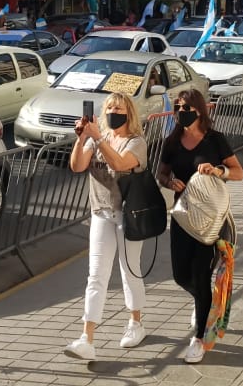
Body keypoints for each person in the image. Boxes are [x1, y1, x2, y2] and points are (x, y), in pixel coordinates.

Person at [156, 88, 243, 364]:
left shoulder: (215, 141)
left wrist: (218, 170)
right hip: (182, 216)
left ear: (199, 111)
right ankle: (202, 303)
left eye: (186, 108)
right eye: (178, 107)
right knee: (180, 275)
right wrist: (169, 183)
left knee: (200, 272)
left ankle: (199, 339)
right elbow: (161, 172)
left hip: (209, 220)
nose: (182, 112)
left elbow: (239, 172)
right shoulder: (172, 141)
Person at [62, 93, 151, 362]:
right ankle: (87, 338)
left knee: (129, 271)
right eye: (109, 107)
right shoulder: (95, 138)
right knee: (96, 275)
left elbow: (119, 163)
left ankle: (136, 323)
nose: (113, 111)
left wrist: (98, 137)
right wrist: (82, 138)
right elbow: (77, 166)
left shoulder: (136, 142)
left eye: (118, 108)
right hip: (101, 211)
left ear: (129, 114)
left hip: (129, 215)